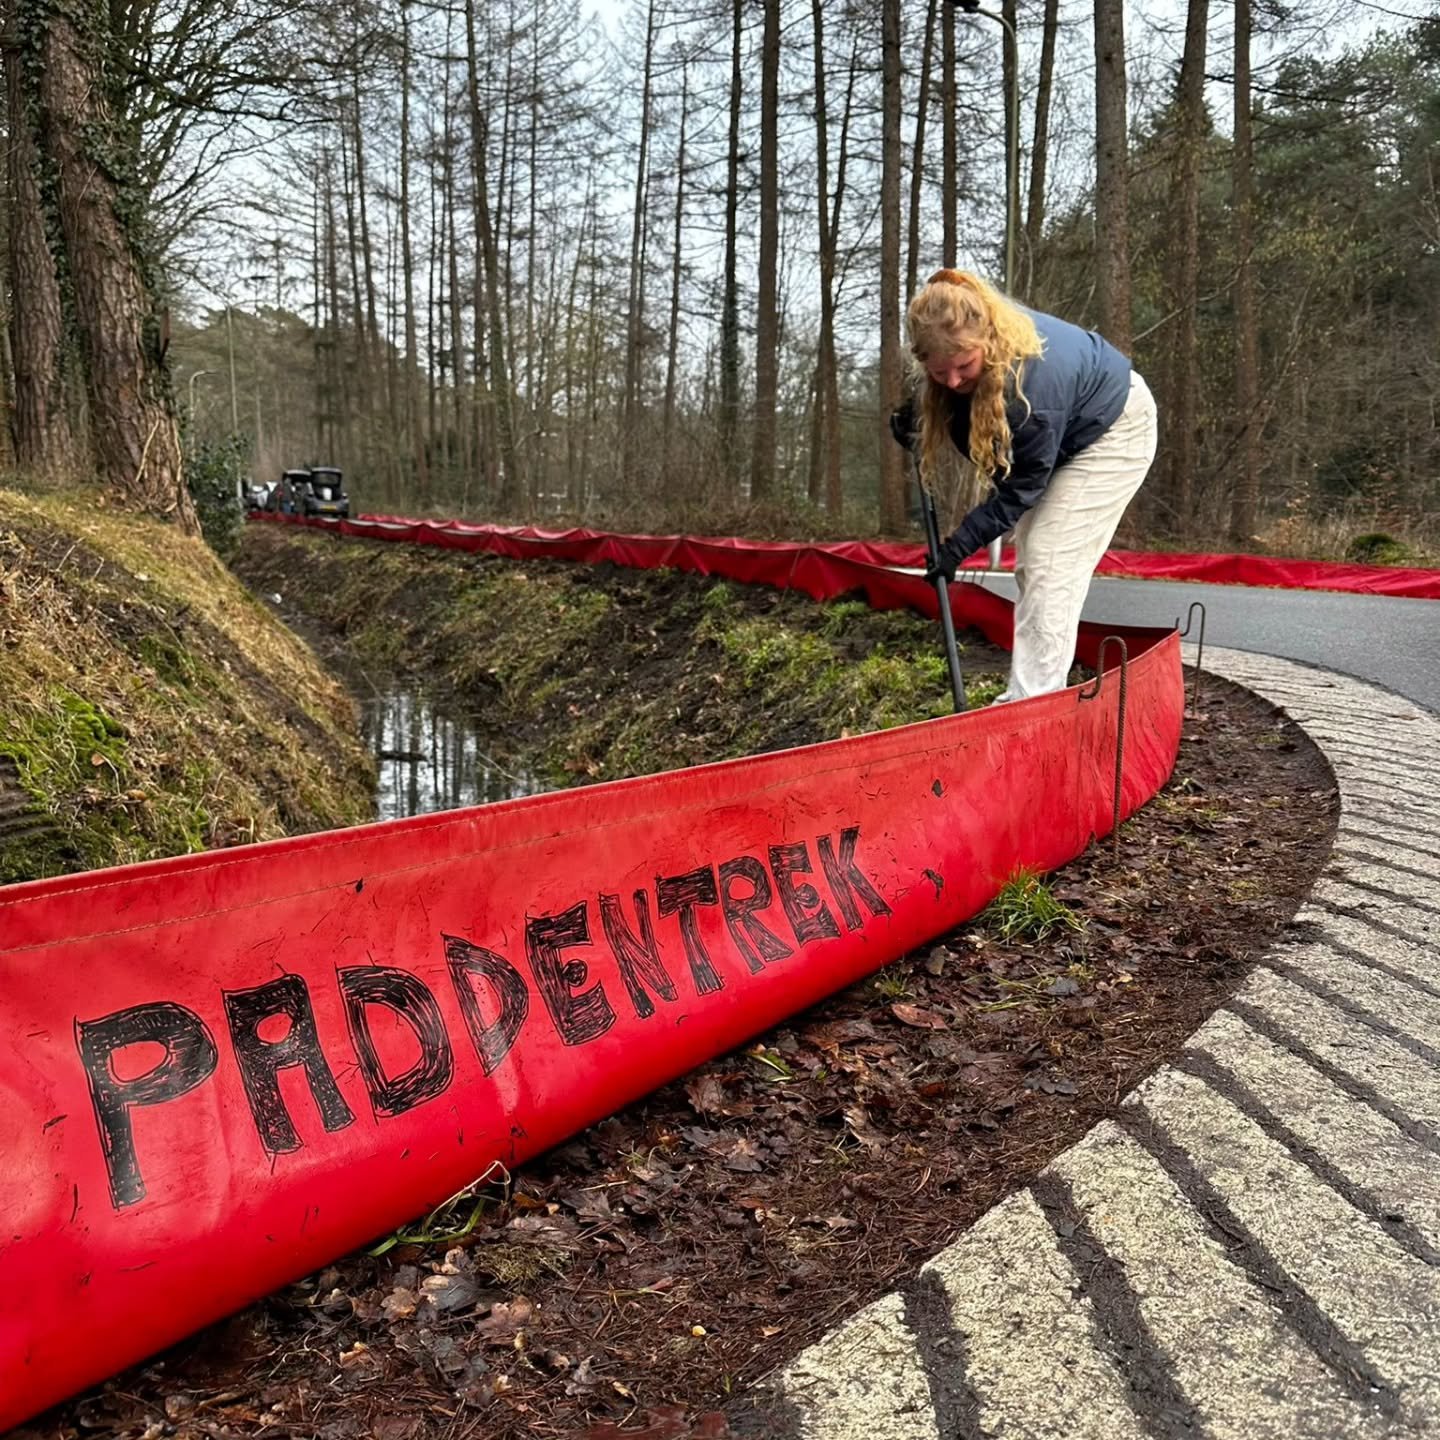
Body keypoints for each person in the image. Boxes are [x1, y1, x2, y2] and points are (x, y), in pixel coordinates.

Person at [891, 268, 1157, 702]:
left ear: (987, 341)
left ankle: (1035, 703)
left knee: (1050, 560)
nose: (953, 382)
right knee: (1032, 562)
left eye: (963, 367)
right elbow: (966, 413)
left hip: (1116, 427)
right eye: (939, 373)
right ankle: (1028, 695)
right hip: (1070, 428)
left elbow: (1020, 488)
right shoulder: (962, 360)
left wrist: (959, 546)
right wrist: (919, 419)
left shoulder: (1030, 389)